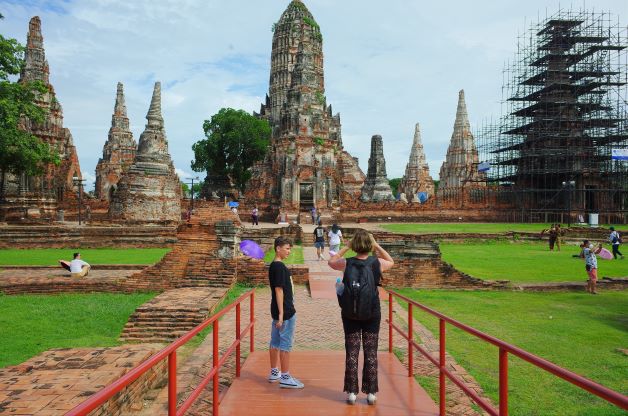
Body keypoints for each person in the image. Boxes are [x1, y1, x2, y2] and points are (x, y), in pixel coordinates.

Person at [328, 230, 394, 405]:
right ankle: (371, 392)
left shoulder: (346, 263)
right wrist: (377, 245)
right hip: (372, 312)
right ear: (369, 245)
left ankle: (351, 391)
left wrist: (346, 246)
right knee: (371, 352)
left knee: (352, 352)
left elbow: (331, 261)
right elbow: (391, 261)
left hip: (350, 313)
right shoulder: (376, 263)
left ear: (355, 245)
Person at [268, 237, 304, 389]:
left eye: (290, 248)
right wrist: (282, 315)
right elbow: (279, 289)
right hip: (285, 312)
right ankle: (285, 377)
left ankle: (274, 372)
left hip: (277, 310)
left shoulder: (274, 266)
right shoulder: (279, 267)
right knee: (285, 344)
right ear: (278, 248)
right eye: (287, 248)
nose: (289, 251)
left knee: (275, 342)